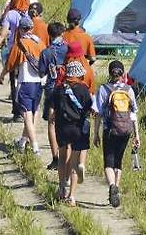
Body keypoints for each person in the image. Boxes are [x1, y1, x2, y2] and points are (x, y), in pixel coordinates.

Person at [93, 60, 140, 208]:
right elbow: (133, 115)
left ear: (109, 72)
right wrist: (136, 135)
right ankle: (117, 189)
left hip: (109, 129)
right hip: (125, 130)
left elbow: (99, 113)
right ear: (122, 73)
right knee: (118, 161)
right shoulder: (128, 90)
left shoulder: (103, 89)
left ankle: (112, 186)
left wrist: (96, 133)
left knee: (108, 161)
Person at [0, 15, 46, 153]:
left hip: (25, 82)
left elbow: (10, 65)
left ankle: (35, 145)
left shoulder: (20, 44)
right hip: (39, 83)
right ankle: (23, 142)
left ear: (20, 29)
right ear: (31, 28)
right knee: (34, 112)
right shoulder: (40, 43)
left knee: (26, 115)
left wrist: (1, 76)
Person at [53, 60, 92, 206]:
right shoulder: (83, 90)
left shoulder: (59, 89)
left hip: (62, 127)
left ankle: (62, 187)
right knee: (75, 162)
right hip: (78, 128)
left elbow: (54, 109)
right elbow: (88, 108)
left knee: (62, 157)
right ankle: (72, 196)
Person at [0, 0, 31, 121]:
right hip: (30, 51)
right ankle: (28, 109)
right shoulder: (32, 12)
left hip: (15, 50)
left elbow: (2, 34)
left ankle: (17, 111)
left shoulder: (11, 14)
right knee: (26, 81)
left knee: (15, 81)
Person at [38, 21, 68, 170]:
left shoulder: (46, 52)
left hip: (51, 89)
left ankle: (55, 157)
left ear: (49, 35)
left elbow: (41, 72)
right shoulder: (68, 49)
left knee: (52, 122)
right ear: (62, 33)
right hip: (67, 88)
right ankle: (67, 156)